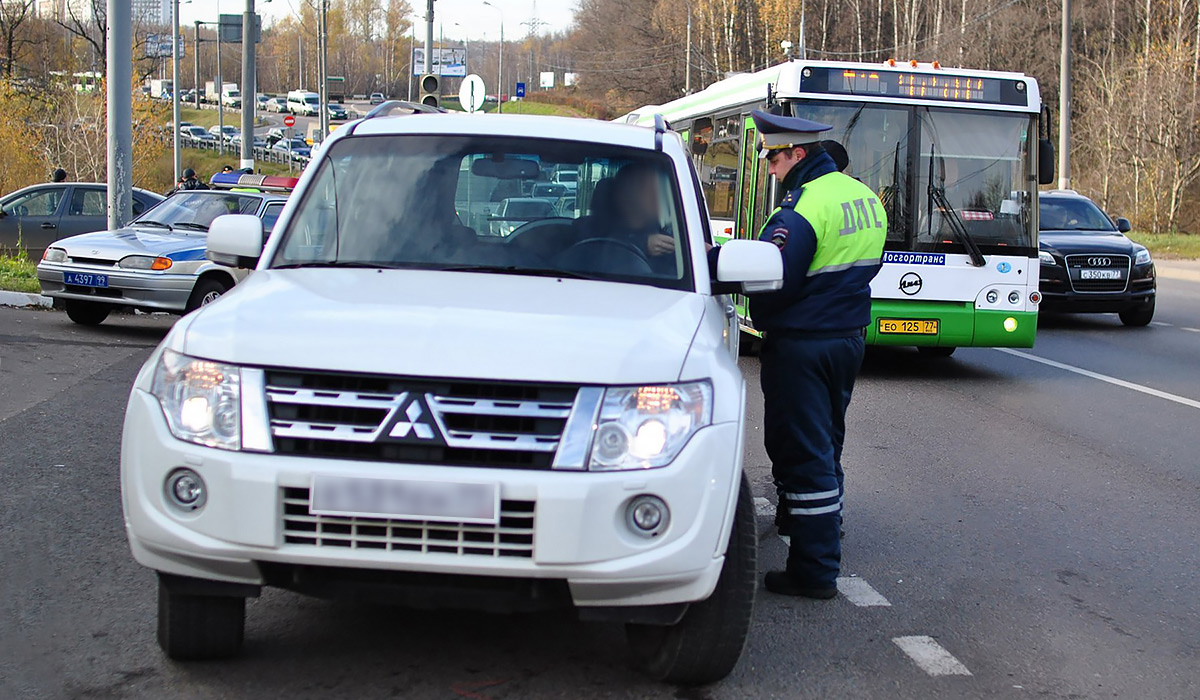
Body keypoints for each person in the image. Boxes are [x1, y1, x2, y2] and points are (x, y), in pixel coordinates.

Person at [712, 110, 887, 599]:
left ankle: (813, 569)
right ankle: (823, 528)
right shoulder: (863, 196)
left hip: (802, 344)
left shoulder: (804, 206)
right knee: (826, 443)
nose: (769, 167)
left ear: (798, 153)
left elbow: (773, 279)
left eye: (773, 157)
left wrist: (714, 266)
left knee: (801, 451)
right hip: (847, 339)